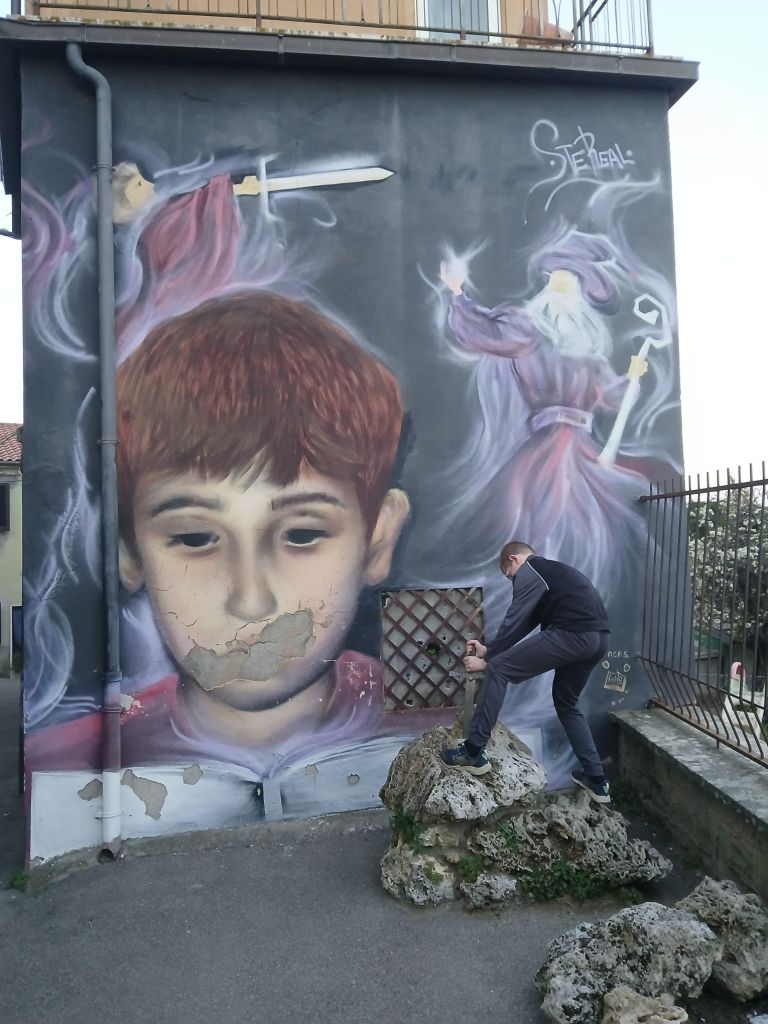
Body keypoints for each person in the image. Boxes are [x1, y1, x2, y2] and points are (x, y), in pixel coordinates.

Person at [27, 288, 415, 775]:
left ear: (378, 538)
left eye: (301, 535)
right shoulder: (64, 767)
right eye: (195, 538)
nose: (250, 601)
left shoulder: (431, 731)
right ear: (127, 548)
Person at [441, 540, 612, 803]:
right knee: (566, 704)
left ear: (514, 560)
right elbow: (525, 623)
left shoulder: (532, 568)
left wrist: (490, 662)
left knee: (499, 670)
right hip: (597, 639)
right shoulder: (553, 575)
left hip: (572, 633)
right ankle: (597, 780)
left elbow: (515, 617)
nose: (513, 582)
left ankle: (472, 753)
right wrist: (490, 650)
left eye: (509, 576)